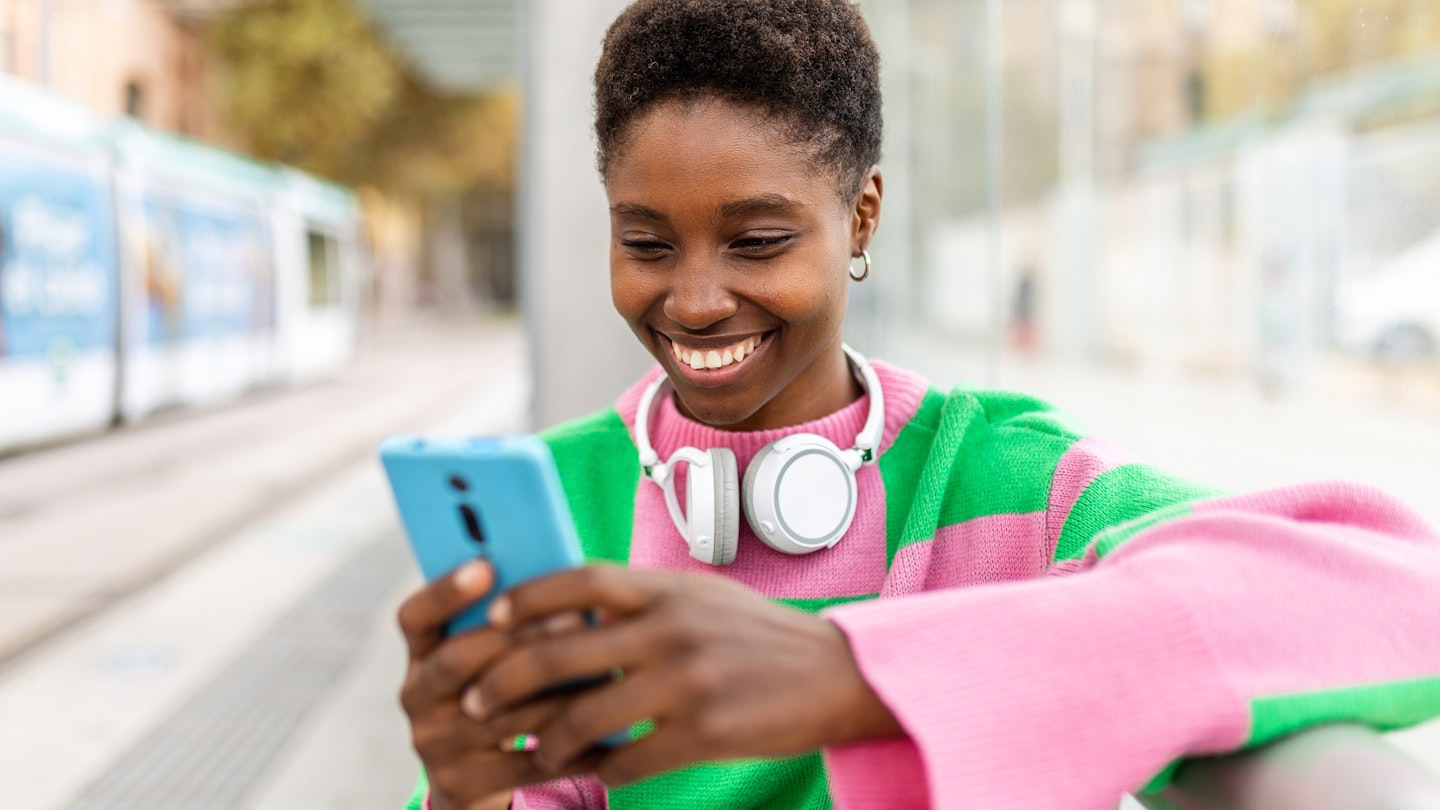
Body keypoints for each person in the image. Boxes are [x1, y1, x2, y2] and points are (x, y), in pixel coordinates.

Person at [396, 2, 1440, 808]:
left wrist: (850, 678)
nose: (696, 300)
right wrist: (466, 782)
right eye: (646, 244)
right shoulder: (563, 495)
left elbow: (1405, 596)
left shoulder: (1005, 478)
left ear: (861, 218)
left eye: (759, 241)